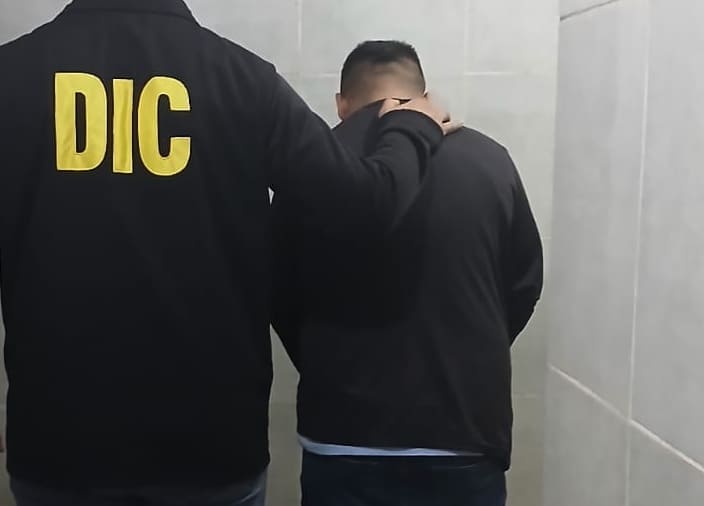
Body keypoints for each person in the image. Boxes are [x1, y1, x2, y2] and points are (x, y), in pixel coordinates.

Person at [0, 1, 454, 504]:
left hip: (58, 449)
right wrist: (412, 124)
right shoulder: (243, 80)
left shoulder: (12, 75)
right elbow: (368, 205)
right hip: (209, 451)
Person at [273, 41, 544, 506]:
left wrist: (328, 358)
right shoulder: (489, 159)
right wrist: (471, 353)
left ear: (341, 103)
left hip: (342, 431)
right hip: (462, 433)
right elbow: (523, 283)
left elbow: (278, 291)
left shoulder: (315, 165)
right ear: (424, 95)